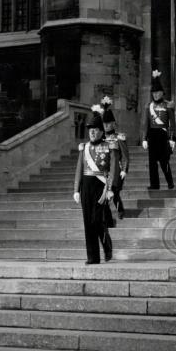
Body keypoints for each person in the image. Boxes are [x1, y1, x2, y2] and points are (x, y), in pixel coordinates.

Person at [73, 109, 119, 264]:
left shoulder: (109, 146)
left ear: (101, 132)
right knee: (88, 222)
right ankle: (92, 257)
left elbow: (113, 168)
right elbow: (79, 168)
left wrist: (111, 188)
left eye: (96, 130)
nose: (92, 133)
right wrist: (76, 189)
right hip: (86, 185)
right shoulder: (84, 148)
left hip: (101, 186)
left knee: (97, 220)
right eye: (90, 130)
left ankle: (107, 246)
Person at [142, 70, 175, 189]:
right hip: (152, 134)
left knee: (164, 160)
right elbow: (146, 123)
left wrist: (172, 138)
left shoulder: (168, 105)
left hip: (163, 134)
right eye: (154, 93)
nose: (155, 95)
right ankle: (154, 184)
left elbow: (172, 123)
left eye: (158, 92)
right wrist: (144, 138)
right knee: (152, 162)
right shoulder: (148, 106)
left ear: (162, 93)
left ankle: (170, 182)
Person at [100, 97, 129, 218]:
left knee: (115, 192)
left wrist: (124, 170)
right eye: (104, 124)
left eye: (108, 123)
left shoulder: (119, 138)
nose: (106, 126)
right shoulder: (100, 139)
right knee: (104, 193)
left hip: (117, 170)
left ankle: (120, 210)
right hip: (103, 171)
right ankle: (106, 217)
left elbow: (125, 156)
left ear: (113, 123)